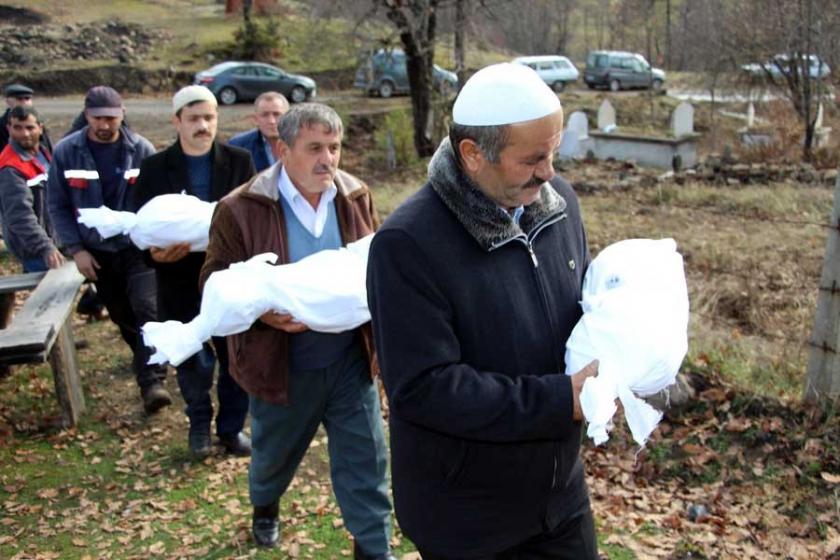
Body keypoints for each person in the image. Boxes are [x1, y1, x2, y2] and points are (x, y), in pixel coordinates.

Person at [366, 63, 600, 559]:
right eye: (533, 158)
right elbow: (424, 388)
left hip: (560, 499)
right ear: (473, 154)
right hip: (467, 516)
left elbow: (582, 308)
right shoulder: (408, 244)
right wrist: (561, 401)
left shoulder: (559, 206)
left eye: (553, 152)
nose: (550, 171)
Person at [200, 103, 395, 559]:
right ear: (282, 149)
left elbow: (376, 264)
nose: (327, 159)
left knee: (367, 460)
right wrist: (262, 310)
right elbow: (213, 283)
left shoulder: (355, 196)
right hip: (281, 366)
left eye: (334, 147)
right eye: (315, 148)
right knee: (272, 458)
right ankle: (265, 504)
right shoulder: (241, 207)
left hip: (349, 361)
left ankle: (373, 546)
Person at [129, 85, 254, 458]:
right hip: (179, 282)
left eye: (209, 117)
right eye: (195, 118)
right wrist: (155, 256)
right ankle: (198, 423)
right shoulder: (154, 169)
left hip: (228, 280)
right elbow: (139, 228)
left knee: (235, 359)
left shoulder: (239, 162)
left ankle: (231, 430)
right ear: (177, 121)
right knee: (193, 361)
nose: (203, 126)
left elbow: (254, 217)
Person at [47, 85, 171, 414]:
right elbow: (57, 205)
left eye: (112, 118)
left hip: (137, 247)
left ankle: (153, 381)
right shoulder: (67, 152)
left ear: (122, 114)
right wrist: (76, 249)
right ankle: (146, 358)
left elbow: (158, 199)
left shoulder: (141, 149)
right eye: (98, 118)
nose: (105, 125)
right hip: (96, 251)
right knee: (122, 314)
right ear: (87, 116)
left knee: (147, 308)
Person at [0, 106, 62, 272]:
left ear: (40, 128)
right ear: (8, 129)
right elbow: (19, 217)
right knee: (53, 296)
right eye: (17, 128)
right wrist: (45, 247)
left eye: (29, 127)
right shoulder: (10, 168)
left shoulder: (44, 153)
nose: (24, 134)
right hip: (36, 249)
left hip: (56, 241)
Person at [228, 91, 289, 172]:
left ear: (288, 117)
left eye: (277, 114)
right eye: (265, 115)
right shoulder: (238, 146)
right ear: (256, 119)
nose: (271, 121)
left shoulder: (301, 143)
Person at [0, 84, 53, 153]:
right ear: (8, 101)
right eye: (19, 99)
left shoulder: (37, 120)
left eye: (27, 98)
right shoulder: (2, 125)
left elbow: (47, 146)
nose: (24, 102)